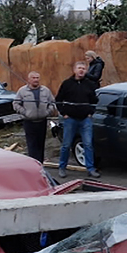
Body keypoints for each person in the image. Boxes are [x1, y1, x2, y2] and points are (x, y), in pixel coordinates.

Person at [55, 51, 104, 179]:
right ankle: (62, 167)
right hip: (70, 119)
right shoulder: (67, 84)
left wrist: (90, 113)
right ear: (74, 70)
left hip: (85, 120)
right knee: (66, 144)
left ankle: (91, 168)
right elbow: (58, 99)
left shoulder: (89, 84)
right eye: (79, 68)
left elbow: (95, 101)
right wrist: (64, 113)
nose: (81, 70)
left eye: (83, 68)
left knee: (88, 144)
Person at [13, 70, 57, 163]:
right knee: (31, 145)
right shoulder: (22, 91)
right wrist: (24, 112)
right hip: (29, 122)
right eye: (33, 78)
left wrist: (48, 112)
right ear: (28, 79)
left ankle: (40, 163)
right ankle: (33, 164)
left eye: (37, 78)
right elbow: (16, 103)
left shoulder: (45, 90)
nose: (36, 80)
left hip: (42, 121)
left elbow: (52, 102)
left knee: (41, 144)